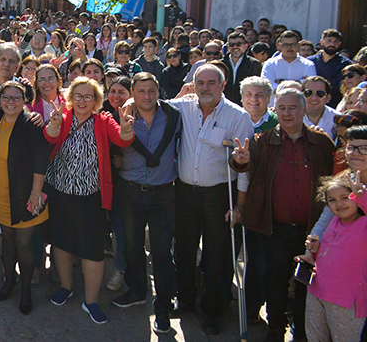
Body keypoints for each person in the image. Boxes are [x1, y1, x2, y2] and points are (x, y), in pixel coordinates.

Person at [230, 88, 336, 342]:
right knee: (276, 279)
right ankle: (276, 327)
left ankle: (301, 330)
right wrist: (241, 161)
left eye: (292, 108)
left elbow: (332, 181)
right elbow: (244, 165)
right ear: (274, 111)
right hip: (275, 226)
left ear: (303, 110)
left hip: (310, 228)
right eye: (282, 108)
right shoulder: (262, 140)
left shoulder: (322, 143)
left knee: (305, 283)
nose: (287, 113)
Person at [169, 65, 254, 336]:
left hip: (220, 193)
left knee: (217, 254)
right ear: (193, 85)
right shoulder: (183, 106)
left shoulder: (238, 116)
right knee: (183, 247)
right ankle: (185, 299)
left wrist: (239, 205)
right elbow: (151, 102)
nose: (205, 87)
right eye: (200, 83)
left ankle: (212, 308)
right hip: (184, 191)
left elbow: (244, 167)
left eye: (211, 82)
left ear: (223, 84)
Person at [44, 77, 135, 325]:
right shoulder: (62, 118)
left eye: (88, 96)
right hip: (60, 194)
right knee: (60, 243)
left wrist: (126, 127)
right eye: (78, 96)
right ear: (70, 98)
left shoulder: (103, 120)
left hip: (91, 198)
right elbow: (50, 137)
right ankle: (66, 287)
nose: (82, 101)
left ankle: (91, 301)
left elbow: (122, 139)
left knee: (92, 250)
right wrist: (53, 125)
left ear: (96, 100)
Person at [111, 73, 181, 334]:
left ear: (158, 91)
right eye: (141, 91)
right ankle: (138, 290)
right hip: (130, 191)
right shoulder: (122, 116)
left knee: (163, 251)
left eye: (152, 91)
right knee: (132, 245)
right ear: (133, 92)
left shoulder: (173, 114)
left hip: (163, 193)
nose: (147, 96)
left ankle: (163, 305)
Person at [0, 81, 49, 314]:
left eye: (16, 98)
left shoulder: (30, 124)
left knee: (24, 243)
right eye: (6, 98)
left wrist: (35, 193)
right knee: (7, 239)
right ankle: (9, 281)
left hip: (25, 195)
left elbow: (41, 160)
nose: (10, 102)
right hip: (0, 194)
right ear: (0, 101)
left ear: (25, 101)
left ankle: (25, 291)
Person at [299, 172, 367, 342]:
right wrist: (315, 250)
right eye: (332, 200)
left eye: (345, 197)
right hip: (317, 293)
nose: (339, 204)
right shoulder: (333, 222)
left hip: (346, 302)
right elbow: (331, 253)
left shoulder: (364, 224)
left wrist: (363, 196)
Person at [261, 30, 316, 94]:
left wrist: (281, 82)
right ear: (279, 46)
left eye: (293, 44)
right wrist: (299, 82)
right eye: (285, 45)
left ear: (299, 45)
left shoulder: (308, 65)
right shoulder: (270, 64)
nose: (289, 48)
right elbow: (267, 88)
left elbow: (311, 88)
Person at [309, 29, 352, 107]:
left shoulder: (345, 64)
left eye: (335, 42)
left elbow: (339, 86)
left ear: (339, 44)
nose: (332, 44)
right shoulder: (309, 62)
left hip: (333, 104)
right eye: (329, 41)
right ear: (322, 42)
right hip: (310, 102)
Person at [223, 32, 262, 106]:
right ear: (228, 47)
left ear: (245, 46)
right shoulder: (221, 64)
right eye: (231, 45)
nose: (235, 47)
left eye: (238, 44)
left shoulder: (254, 64)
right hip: (224, 106)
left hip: (246, 106)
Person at [302, 76, 339, 140]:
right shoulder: (292, 117)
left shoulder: (338, 119)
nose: (314, 98)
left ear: (328, 98)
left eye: (320, 93)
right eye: (308, 93)